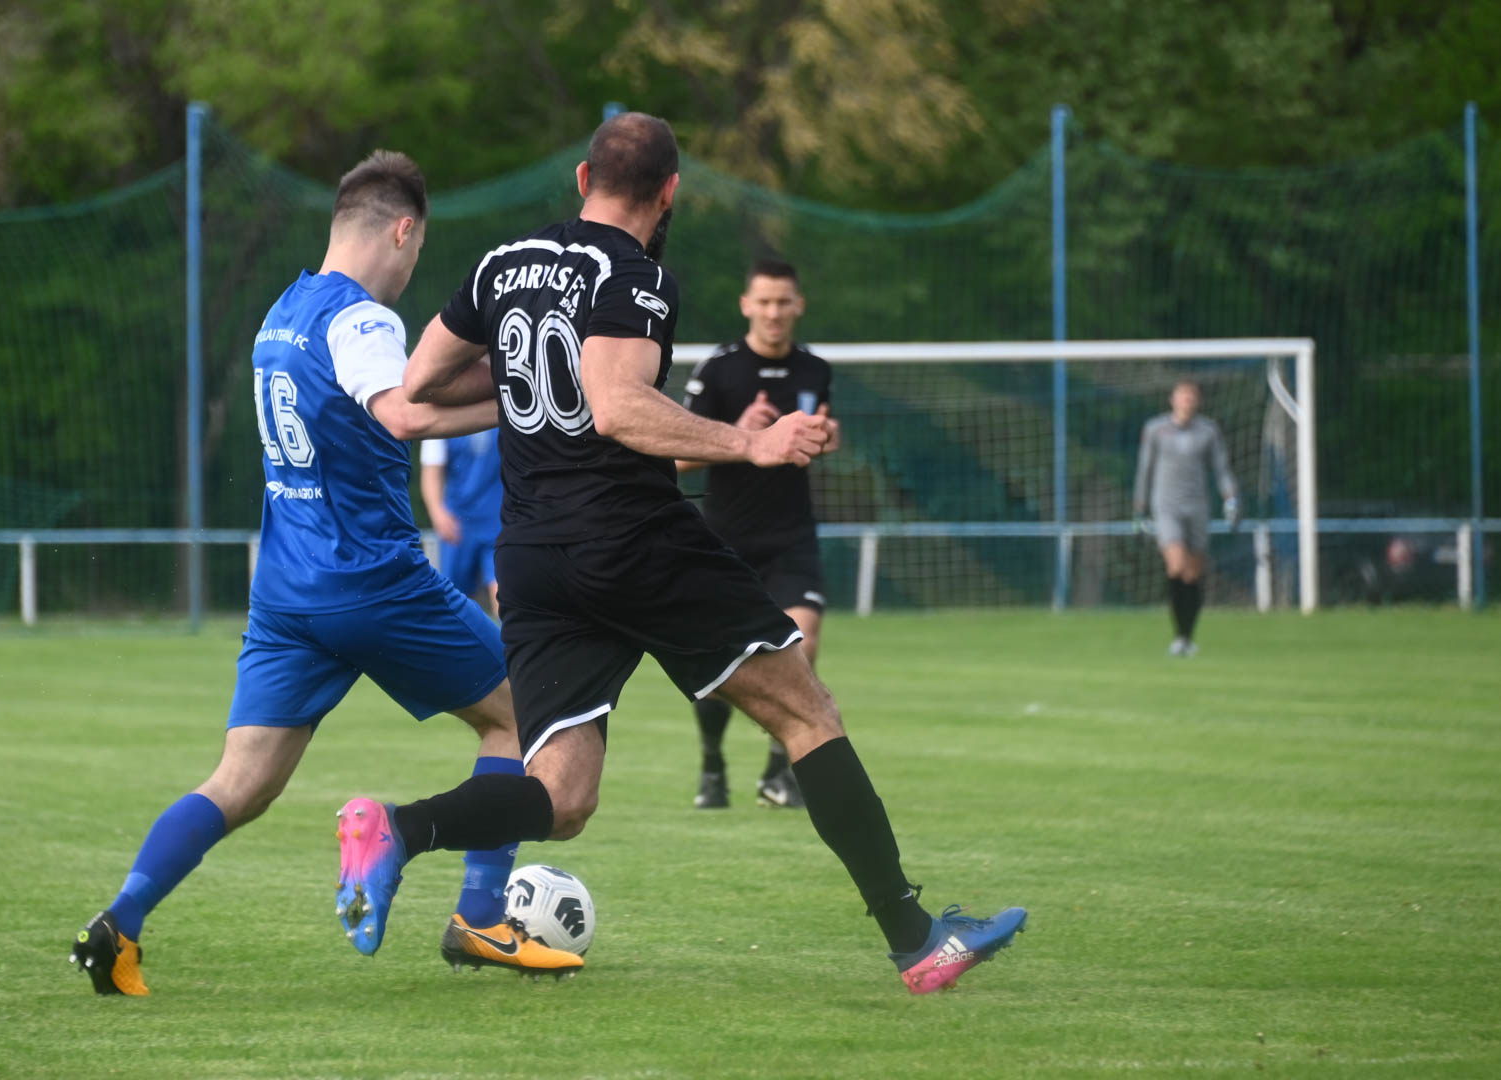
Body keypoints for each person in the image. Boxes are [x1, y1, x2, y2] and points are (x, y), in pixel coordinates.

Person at [342, 111, 1026, 996]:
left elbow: (418, 389)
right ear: (670, 193)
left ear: (583, 180)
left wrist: (521, 381)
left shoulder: (501, 264)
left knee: (564, 797)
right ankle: (917, 939)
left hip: (536, 558)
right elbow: (619, 406)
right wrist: (753, 444)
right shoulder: (634, 276)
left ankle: (397, 830)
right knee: (807, 713)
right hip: (634, 539)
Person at [68, 150, 583, 996]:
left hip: (285, 593)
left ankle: (119, 923)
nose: (412, 270)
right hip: (371, 580)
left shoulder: (282, 313)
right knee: (526, 719)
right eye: (419, 250)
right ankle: (480, 917)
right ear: (403, 230)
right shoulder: (363, 319)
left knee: (241, 782)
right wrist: (537, 402)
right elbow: (403, 412)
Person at [677, 258, 836, 810]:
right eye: (764, 302)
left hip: (791, 536)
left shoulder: (815, 370)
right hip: (726, 539)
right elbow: (675, 456)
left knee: (802, 644)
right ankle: (712, 766)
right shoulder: (719, 369)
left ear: (799, 306)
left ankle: (778, 772)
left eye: (783, 302)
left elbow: (818, 438)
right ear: (746, 305)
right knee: (722, 662)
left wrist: (826, 438)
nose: (773, 312)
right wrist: (738, 434)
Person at [1133, 379, 1240, 656]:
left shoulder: (1208, 431)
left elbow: (1221, 468)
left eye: (1191, 397)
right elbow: (1145, 469)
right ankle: (1179, 637)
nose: (1186, 401)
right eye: (1182, 396)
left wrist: (1230, 499)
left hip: (1197, 507)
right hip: (1166, 506)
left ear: (1197, 401)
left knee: (1192, 573)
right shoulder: (1156, 429)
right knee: (1176, 565)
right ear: (1172, 400)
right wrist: (1139, 507)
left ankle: (1185, 636)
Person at [419, 429, 503, 617]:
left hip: (499, 520)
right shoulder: (441, 421)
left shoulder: (504, 415)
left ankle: (507, 636)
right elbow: (432, 469)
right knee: (455, 599)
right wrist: (437, 512)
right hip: (457, 523)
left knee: (504, 592)